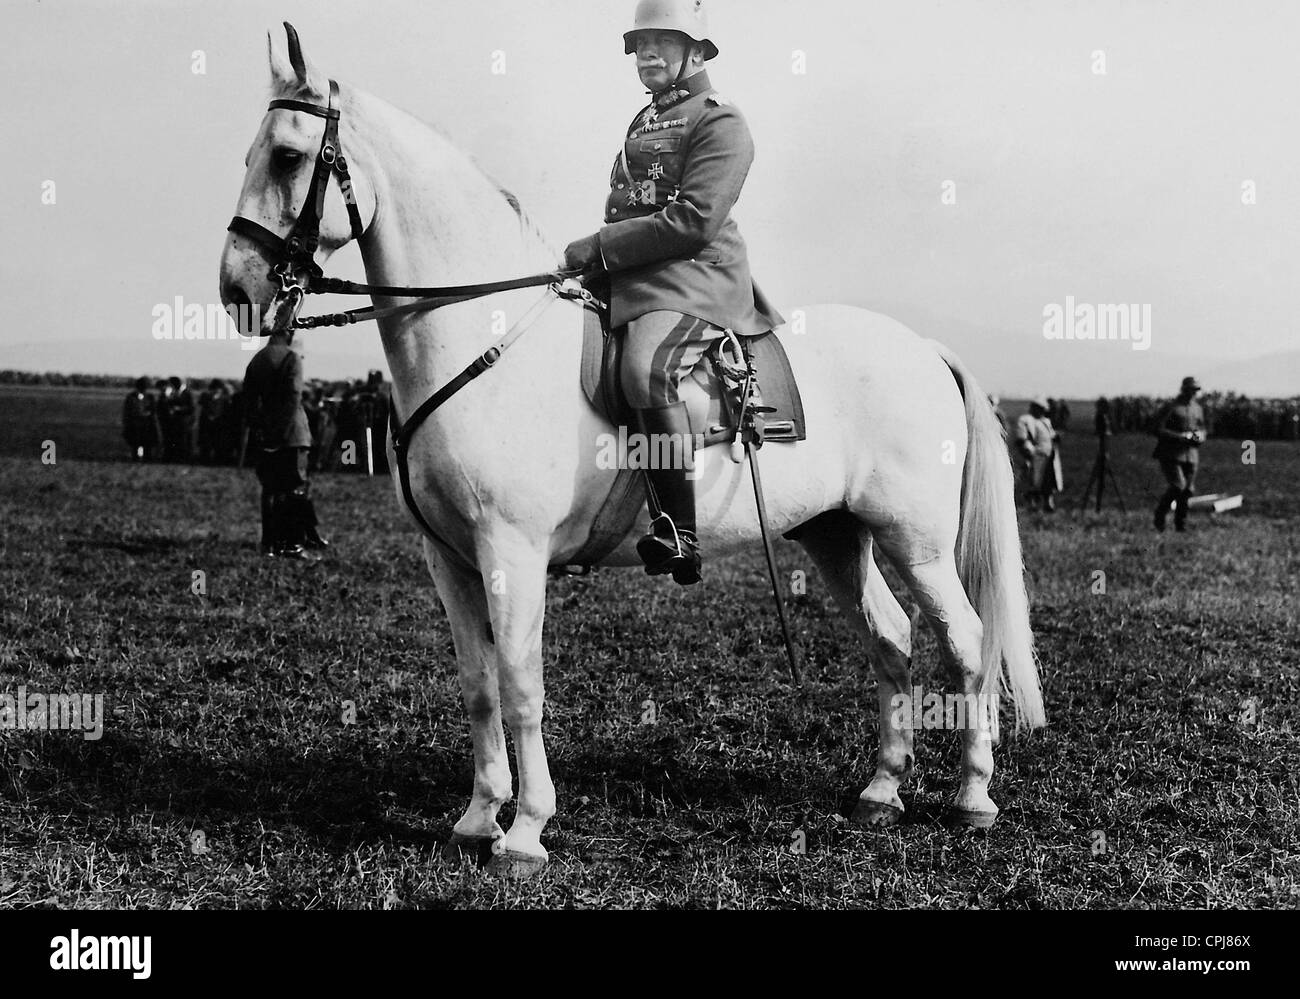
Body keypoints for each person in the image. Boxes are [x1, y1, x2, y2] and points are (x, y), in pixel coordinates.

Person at [562, 0, 783, 585]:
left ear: (695, 51)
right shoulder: (645, 120)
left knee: (644, 370)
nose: (645, 53)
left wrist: (600, 247)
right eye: (638, 43)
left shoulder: (720, 122)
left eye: (661, 40)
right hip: (634, 277)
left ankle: (679, 534)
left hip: (695, 278)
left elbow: (693, 221)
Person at [242, 329, 329, 559]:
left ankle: (269, 543)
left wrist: (262, 430)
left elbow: (248, 401)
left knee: (270, 489)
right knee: (295, 488)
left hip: (265, 435)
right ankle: (292, 543)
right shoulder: (291, 358)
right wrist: (280, 432)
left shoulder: (257, 359)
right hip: (291, 435)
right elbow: (293, 397)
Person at [1152, 376, 1207, 532]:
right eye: (1190, 390)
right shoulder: (1171, 407)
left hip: (1191, 455)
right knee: (1178, 486)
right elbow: (1157, 429)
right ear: (1184, 390)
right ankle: (1160, 515)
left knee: (1188, 490)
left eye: (1195, 390)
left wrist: (1200, 436)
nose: (1193, 393)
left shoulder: (1197, 409)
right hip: (1171, 454)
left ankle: (1180, 525)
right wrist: (1180, 437)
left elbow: (1202, 428)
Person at [1014, 396, 1057, 511]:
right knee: (1033, 481)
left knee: (1048, 481)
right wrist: (1029, 452)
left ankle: (1048, 503)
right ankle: (1031, 505)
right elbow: (1021, 438)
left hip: (1048, 455)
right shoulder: (1025, 420)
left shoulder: (1045, 421)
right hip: (1035, 455)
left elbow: (1051, 435)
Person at [122, 376, 158, 462]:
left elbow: (153, 410)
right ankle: (136, 457)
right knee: (136, 443)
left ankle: (147, 458)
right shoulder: (131, 397)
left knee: (147, 443)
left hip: (146, 424)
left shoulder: (150, 397)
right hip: (135, 424)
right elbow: (127, 411)